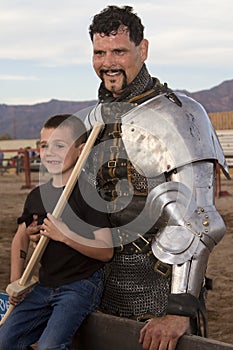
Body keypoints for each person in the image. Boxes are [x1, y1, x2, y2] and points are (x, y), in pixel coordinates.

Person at [81, 5, 230, 350]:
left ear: (143, 49)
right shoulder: (93, 120)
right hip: (96, 288)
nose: (108, 62)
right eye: (99, 53)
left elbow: (198, 221)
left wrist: (178, 310)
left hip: (159, 291)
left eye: (119, 51)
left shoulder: (179, 114)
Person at [0, 114, 113, 350]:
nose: (50, 152)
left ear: (81, 150)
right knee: (5, 341)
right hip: (44, 284)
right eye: (44, 145)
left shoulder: (89, 194)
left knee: (49, 347)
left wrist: (65, 235)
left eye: (59, 145)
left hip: (80, 285)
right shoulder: (37, 196)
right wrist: (16, 282)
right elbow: (21, 237)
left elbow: (106, 251)